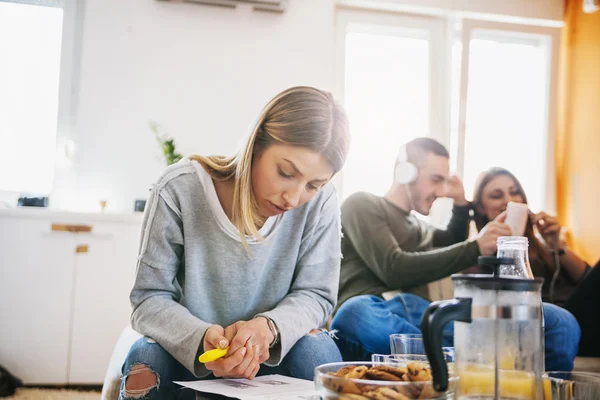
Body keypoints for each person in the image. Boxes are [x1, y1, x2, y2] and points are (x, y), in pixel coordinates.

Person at [119, 86, 350, 400]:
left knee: (319, 350)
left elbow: (317, 295)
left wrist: (266, 329)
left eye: (314, 185)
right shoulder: (178, 189)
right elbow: (148, 299)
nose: (294, 198)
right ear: (256, 144)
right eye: (285, 172)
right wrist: (202, 338)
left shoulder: (321, 204)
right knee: (145, 359)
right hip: (193, 356)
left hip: (273, 358)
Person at [331, 137, 581, 372]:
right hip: (376, 311)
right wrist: (475, 247)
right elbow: (393, 267)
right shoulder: (362, 204)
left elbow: (452, 241)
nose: (441, 191)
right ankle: (466, 365)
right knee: (354, 314)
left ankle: (450, 363)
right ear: (404, 172)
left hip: (426, 317)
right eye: (435, 179)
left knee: (559, 320)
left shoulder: (420, 227)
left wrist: (462, 203)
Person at [472, 167, 599, 357]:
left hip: (585, 317)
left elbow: (587, 279)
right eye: (497, 195)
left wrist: (556, 245)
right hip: (554, 324)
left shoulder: (544, 246)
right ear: (481, 207)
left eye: (515, 192)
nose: (509, 200)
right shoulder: (480, 251)